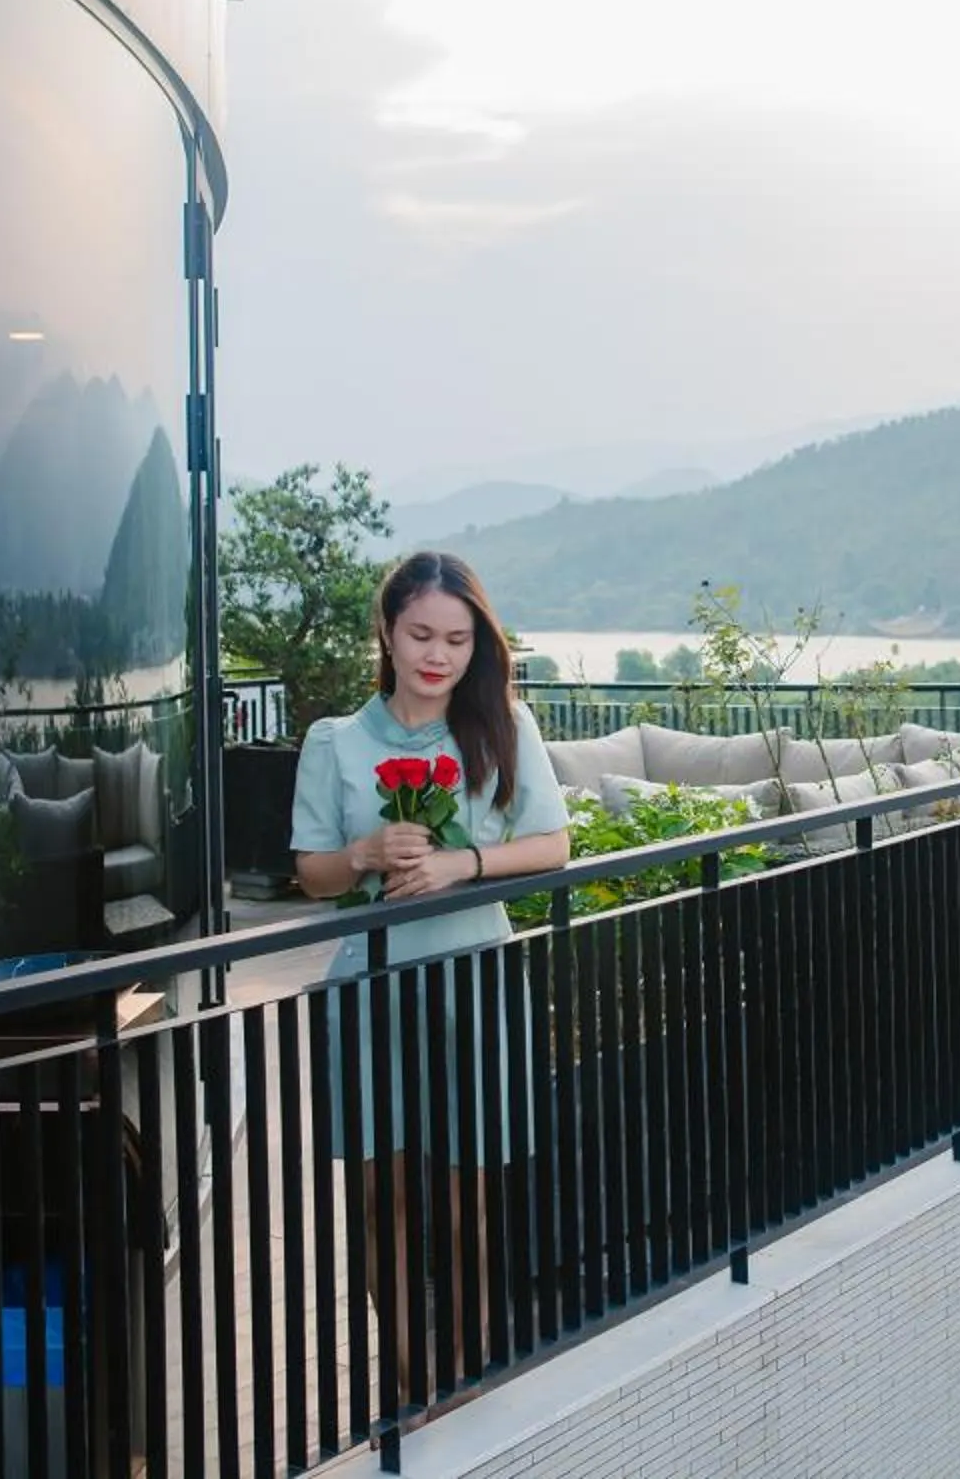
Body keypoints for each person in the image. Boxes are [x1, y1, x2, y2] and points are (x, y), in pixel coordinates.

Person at [290, 551, 572, 1416]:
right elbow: (311, 875)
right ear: (386, 630)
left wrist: (461, 864)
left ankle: (471, 1378)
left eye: (456, 638)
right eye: (421, 634)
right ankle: (409, 1386)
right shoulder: (335, 743)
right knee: (382, 1202)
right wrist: (365, 855)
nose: (438, 655)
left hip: (475, 986)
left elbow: (554, 847)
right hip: (370, 996)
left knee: (468, 1195)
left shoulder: (502, 730)